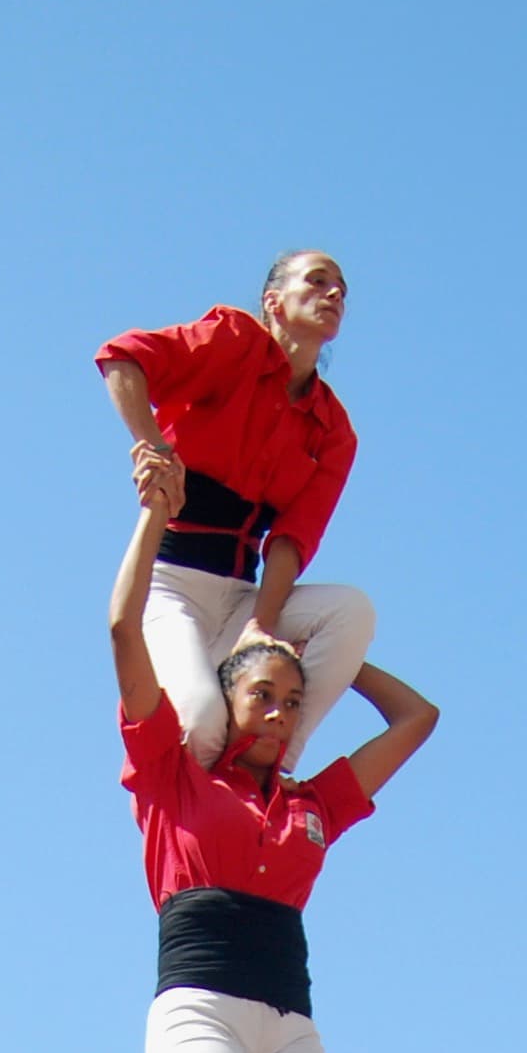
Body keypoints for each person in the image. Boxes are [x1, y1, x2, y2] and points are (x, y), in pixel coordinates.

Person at [110, 490, 437, 1053]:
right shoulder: (173, 772)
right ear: (224, 697)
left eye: (295, 703)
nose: (282, 714)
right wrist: (152, 524)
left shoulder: (311, 803)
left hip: (289, 1022)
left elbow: (417, 720)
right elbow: (123, 629)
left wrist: (323, 660)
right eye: (264, 696)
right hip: (201, 1009)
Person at [97, 256, 370, 764]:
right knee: (202, 725)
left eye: (341, 289)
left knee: (351, 611)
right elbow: (123, 357)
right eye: (317, 282)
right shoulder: (233, 342)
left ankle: (277, 766)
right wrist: (154, 448)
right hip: (172, 586)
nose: (334, 295)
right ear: (273, 301)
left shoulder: (334, 429)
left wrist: (258, 627)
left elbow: (292, 538)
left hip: (244, 598)